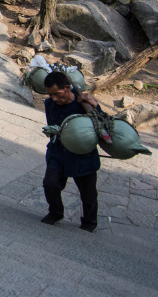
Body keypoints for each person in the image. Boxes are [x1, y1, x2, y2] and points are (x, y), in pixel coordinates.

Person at [41, 71, 101, 232]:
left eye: (57, 94)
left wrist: (95, 106)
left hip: (83, 155)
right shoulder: (49, 104)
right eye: (50, 94)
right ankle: (55, 213)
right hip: (59, 152)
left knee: (88, 195)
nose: (54, 98)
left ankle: (89, 223)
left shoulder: (84, 104)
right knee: (50, 183)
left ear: (67, 88)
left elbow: (102, 125)